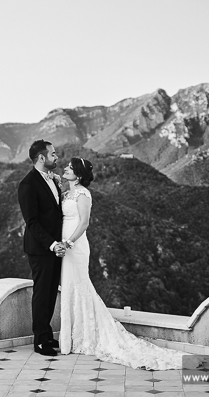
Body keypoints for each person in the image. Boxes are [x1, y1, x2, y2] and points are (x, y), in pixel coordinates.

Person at [58, 156, 194, 369]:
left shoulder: (83, 194)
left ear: (79, 174)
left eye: (70, 167)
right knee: (70, 288)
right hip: (65, 247)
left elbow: (84, 222)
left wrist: (68, 242)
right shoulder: (68, 193)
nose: (65, 168)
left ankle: (84, 337)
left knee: (80, 287)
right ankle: (75, 337)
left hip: (75, 246)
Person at [17, 139, 65, 356]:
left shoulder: (53, 180)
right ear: (42, 158)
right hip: (40, 248)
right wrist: (52, 244)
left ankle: (47, 335)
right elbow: (32, 222)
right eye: (53, 154)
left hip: (55, 247)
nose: (57, 157)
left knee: (51, 292)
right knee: (42, 293)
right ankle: (39, 341)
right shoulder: (27, 185)